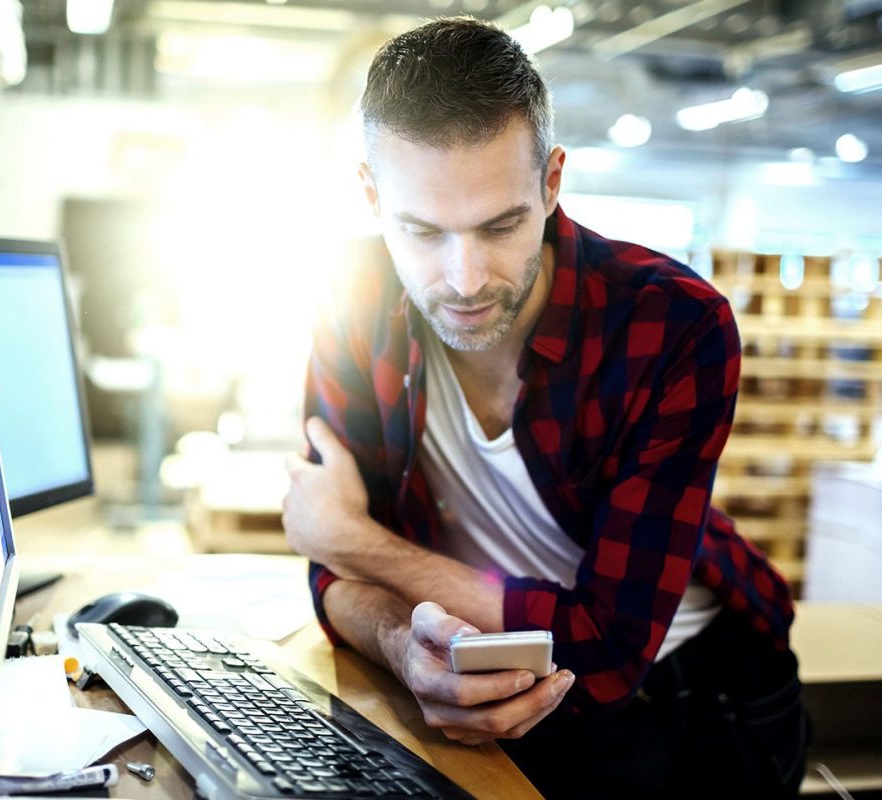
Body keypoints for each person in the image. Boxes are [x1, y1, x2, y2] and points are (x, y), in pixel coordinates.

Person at [282, 16, 807, 799]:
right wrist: (399, 646)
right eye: (420, 231)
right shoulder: (349, 299)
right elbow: (333, 578)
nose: (464, 279)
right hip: (479, 686)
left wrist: (356, 540)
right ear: (370, 195)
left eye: (501, 225)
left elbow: (607, 652)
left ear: (552, 182)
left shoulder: (674, 325)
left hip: (685, 704)